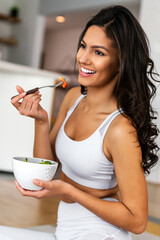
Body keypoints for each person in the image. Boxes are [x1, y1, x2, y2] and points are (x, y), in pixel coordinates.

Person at [0, 5, 159, 240]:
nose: (83, 58)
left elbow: (137, 221)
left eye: (99, 52)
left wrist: (68, 189)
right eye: (84, 46)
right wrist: (41, 121)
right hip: (65, 230)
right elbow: (46, 171)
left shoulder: (119, 129)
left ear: (119, 63)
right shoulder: (74, 98)